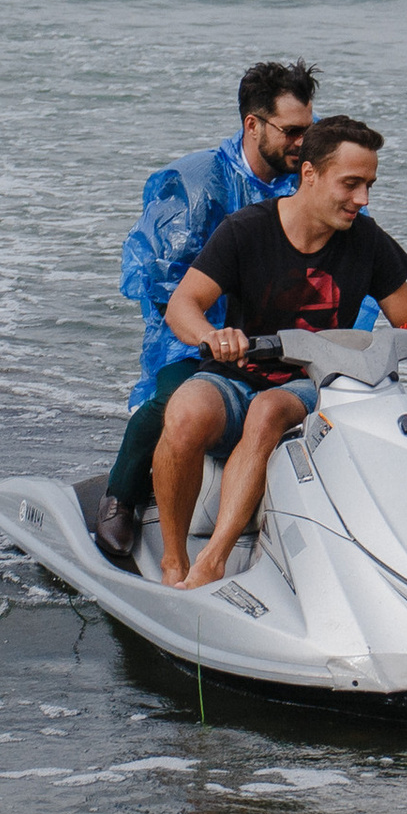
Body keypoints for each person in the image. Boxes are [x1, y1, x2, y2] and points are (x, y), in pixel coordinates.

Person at [154, 115, 407, 590]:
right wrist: (212, 337)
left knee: (268, 408)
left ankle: (213, 560)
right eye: (351, 184)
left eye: (370, 184)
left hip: (315, 385)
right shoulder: (246, 231)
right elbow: (183, 306)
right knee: (186, 412)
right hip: (237, 374)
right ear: (310, 173)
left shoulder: (368, 241)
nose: (363, 199)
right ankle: (173, 562)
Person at [93, 60, 320, 569]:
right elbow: (161, 276)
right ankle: (121, 494)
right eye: (292, 131)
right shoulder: (198, 182)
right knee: (176, 400)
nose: (303, 144)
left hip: (281, 337)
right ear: (253, 125)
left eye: (310, 130)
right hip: (197, 335)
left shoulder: (308, 181)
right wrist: (211, 333)